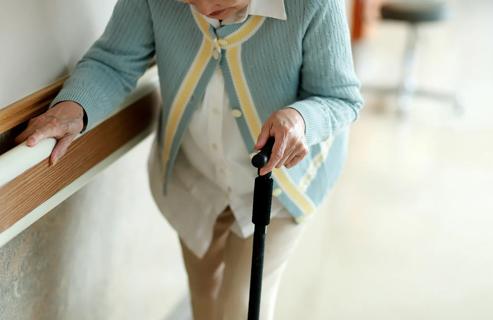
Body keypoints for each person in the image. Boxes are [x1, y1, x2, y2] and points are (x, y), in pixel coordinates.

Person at [15, 0, 363, 319]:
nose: (206, 10)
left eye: (226, 2)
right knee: (205, 301)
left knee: (241, 305)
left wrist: (299, 119)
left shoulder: (313, 4)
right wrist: (73, 108)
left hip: (278, 189)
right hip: (194, 178)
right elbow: (114, 60)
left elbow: (339, 98)